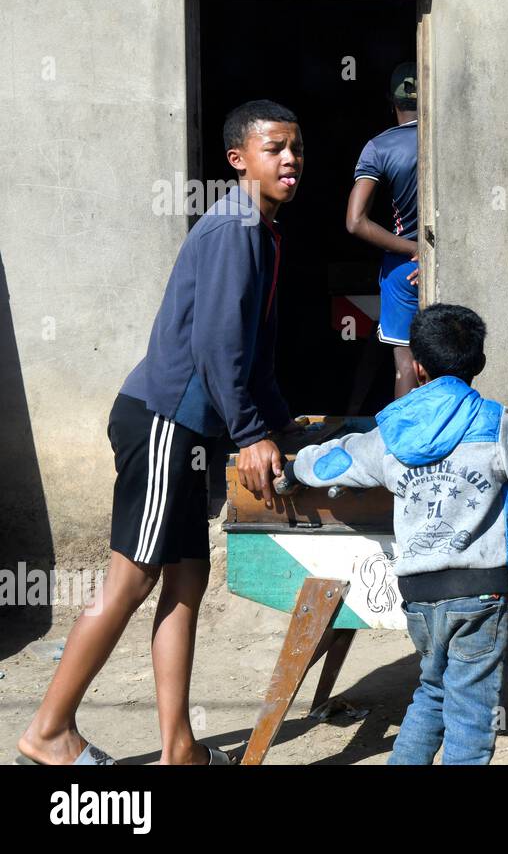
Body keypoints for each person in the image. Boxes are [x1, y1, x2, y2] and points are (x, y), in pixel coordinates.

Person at [17, 100, 304, 765]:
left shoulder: (260, 229)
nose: (290, 159)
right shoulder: (236, 225)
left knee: (187, 579)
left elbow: (252, 350)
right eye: (274, 148)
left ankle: (179, 747)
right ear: (239, 161)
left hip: (191, 427)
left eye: (296, 148)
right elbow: (216, 346)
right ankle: (49, 731)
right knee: (134, 575)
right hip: (164, 419)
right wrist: (253, 430)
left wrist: (282, 419)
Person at [279, 304, 508, 764]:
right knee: (473, 715)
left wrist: (292, 466)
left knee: (433, 691)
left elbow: (333, 461)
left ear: (417, 366)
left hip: (419, 596)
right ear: (478, 364)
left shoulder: (390, 430)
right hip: (478, 597)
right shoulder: (494, 422)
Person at [346, 62, 421, 398]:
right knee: (449, 365)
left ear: (391, 103)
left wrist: (413, 250)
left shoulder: (379, 147)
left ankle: (403, 449)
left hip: (405, 270)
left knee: (406, 366)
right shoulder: (454, 139)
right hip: (457, 264)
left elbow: (355, 221)